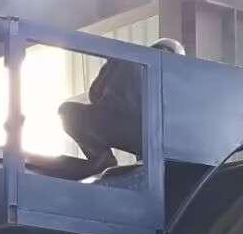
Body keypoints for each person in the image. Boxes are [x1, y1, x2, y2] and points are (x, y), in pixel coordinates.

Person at [43, 37, 186, 180]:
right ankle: (141, 162)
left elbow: (95, 93)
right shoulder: (177, 80)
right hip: (153, 135)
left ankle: (102, 158)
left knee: (68, 113)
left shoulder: (124, 58)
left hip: (121, 122)